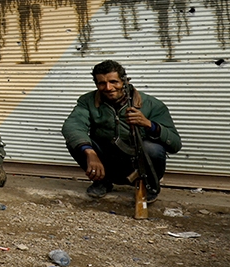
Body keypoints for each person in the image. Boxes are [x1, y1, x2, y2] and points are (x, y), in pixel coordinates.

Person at [61, 60, 181, 202]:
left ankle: (148, 185)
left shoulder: (151, 104)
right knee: (76, 141)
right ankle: (102, 182)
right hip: (106, 161)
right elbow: (72, 126)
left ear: (125, 81)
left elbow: (175, 144)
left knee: (153, 148)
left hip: (137, 164)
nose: (108, 88)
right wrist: (90, 152)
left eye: (114, 82)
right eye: (102, 83)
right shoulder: (87, 101)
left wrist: (149, 124)